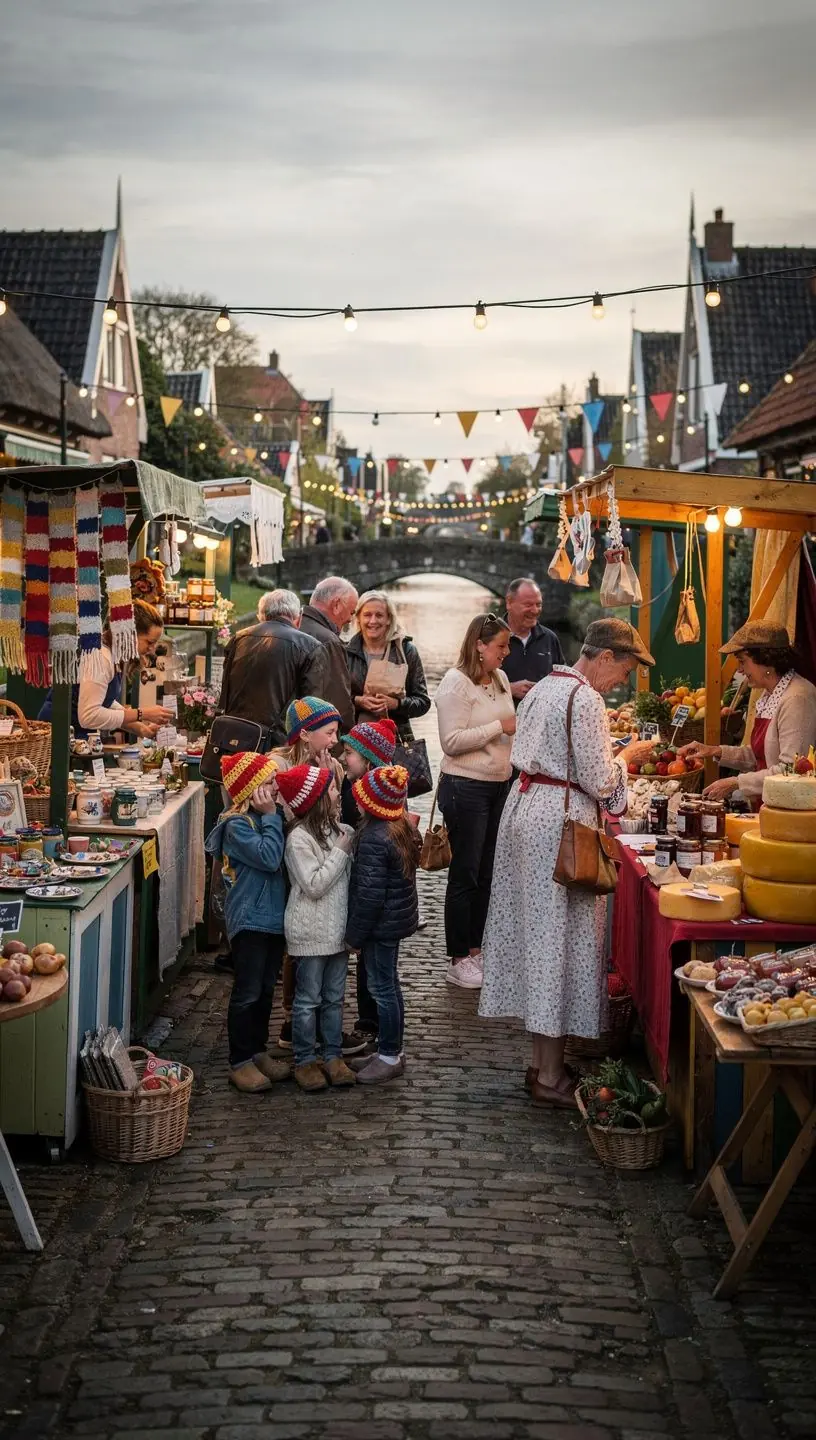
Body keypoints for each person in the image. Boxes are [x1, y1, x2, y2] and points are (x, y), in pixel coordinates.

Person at [478, 619, 657, 1107]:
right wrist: (628, 758)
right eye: (624, 671)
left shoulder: (544, 687)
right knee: (557, 943)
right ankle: (550, 1075)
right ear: (604, 657)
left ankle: (543, 1064)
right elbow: (602, 782)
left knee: (540, 940)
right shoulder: (587, 699)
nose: (621, 682)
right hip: (559, 823)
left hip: (526, 809)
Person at [435, 614, 516, 990]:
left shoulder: (500, 679)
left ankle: (476, 948)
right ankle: (457, 958)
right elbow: (451, 742)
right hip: (465, 786)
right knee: (465, 872)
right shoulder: (456, 683)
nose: (507, 652)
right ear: (479, 646)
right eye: (501, 645)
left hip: (498, 784)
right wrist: (499, 727)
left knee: (487, 872)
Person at [204, 752, 292, 1094]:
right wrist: (271, 818)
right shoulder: (236, 826)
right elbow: (269, 858)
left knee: (266, 989)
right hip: (250, 920)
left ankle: (257, 1050)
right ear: (251, 790)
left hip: (272, 918)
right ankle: (239, 1061)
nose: (276, 788)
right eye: (269, 783)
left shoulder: (269, 817)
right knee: (248, 992)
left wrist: (273, 817)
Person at [277, 764, 357, 1093]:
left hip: (337, 932)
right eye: (333, 789)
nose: (339, 793)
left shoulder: (336, 831)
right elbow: (314, 885)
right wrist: (340, 852)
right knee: (308, 1000)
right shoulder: (298, 840)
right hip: (310, 933)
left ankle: (333, 1056)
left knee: (335, 998)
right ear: (317, 799)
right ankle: (305, 1059)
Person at [680, 621, 816, 802]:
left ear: (766, 660)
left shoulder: (797, 698)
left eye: (742, 661)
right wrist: (714, 751)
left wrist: (736, 782)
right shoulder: (770, 695)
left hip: (788, 810)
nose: (739, 669)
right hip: (769, 803)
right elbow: (759, 756)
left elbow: (791, 770)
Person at [345, 764, 418, 1085]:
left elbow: (369, 897)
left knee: (382, 989)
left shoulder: (375, 838)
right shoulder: (397, 828)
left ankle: (389, 1054)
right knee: (389, 985)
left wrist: (354, 937)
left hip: (380, 927)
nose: (355, 801)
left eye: (361, 797)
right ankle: (392, 1050)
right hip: (392, 923)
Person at [340, 718, 400, 1053]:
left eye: (349, 752)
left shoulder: (371, 810)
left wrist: (355, 933)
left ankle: (383, 1042)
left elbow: (371, 889)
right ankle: (381, 1036)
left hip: (376, 916)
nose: (343, 757)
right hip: (383, 914)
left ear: (368, 759)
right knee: (382, 978)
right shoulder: (380, 796)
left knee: (380, 981)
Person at [38, 599, 172, 738]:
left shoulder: (114, 654)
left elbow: (105, 702)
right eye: (149, 642)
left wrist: (141, 729)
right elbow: (89, 716)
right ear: (129, 634)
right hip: (58, 734)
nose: (152, 649)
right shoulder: (101, 656)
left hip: (76, 733)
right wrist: (142, 714)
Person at [216, 589, 329, 745]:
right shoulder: (310, 646)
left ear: (261, 615)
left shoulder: (239, 638)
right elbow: (312, 704)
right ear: (299, 618)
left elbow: (226, 692)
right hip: (279, 741)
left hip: (235, 737)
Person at [346, 590, 430, 743]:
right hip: (355, 741)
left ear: (389, 619)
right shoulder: (346, 653)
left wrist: (396, 704)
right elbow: (334, 699)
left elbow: (423, 702)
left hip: (396, 740)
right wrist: (358, 701)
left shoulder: (406, 651)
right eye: (367, 615)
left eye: (379, 615)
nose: (372, 621)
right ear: (358, 618)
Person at [298, 576, 358, 732]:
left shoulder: (293, 627)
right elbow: (339, 702)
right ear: (336, 605)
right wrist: (348, 739)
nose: (350, 619)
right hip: (316, 735)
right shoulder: (329, 641)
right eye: (351, 612)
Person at [501, 577, 564, 707]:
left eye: (538, 604)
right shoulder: (489, 637)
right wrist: (510, 689)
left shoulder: (549, 638)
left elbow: (563, 681)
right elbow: (472, 685)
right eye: (528, 605)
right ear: (509, 603)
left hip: (543, 718)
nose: (535, 610)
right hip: (502, 718)